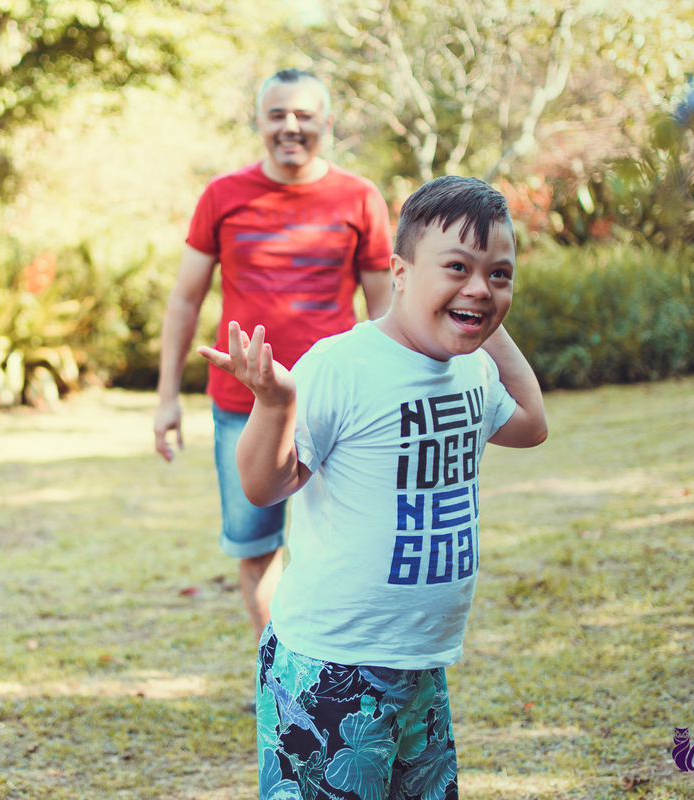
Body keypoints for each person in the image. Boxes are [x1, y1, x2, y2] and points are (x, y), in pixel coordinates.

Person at [199, 176, 548, 799]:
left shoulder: (470, 369)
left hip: (421, 665)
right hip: (330, 665)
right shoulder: (343, 366)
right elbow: (263, 485)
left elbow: (531, 424)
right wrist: (276, 403)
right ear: (400, 273)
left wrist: (480, 316)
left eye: (500, 274)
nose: (480, 285)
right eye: (456, 268)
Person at [154, 69, 394, 642]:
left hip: (336, 404)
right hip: (242, 404)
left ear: (327, 123)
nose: (291, 126)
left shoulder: (360, 197)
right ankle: (275, 671)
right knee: (257, 546)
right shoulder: (222, 196)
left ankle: (335, 664)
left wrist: (390, 389)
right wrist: (166, 398)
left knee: (344, 542)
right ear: (259, 122)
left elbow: (385, 307)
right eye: (278, 114)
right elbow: (185, 300)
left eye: (305, 115)